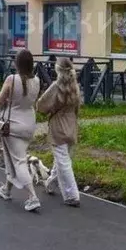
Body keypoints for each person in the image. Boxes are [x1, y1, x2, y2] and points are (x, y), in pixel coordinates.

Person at [0, 49, 41, 212]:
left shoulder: (11, 79)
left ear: (17, 63)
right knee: (13, 157)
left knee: (19, 161)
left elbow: (1, 101)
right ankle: (6, 189)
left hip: (12, 126)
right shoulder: (37, 80)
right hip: (29, 124)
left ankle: (32, 196)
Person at [36, 57, 82, 207]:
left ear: (58, 70)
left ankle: (72, 195)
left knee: (63, 161)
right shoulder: (75, 86)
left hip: (58, 125)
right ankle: (50, 183)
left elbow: (42, 105)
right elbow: (78, 107)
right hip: (72, 123)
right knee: (63, 157)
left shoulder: (56, 87)